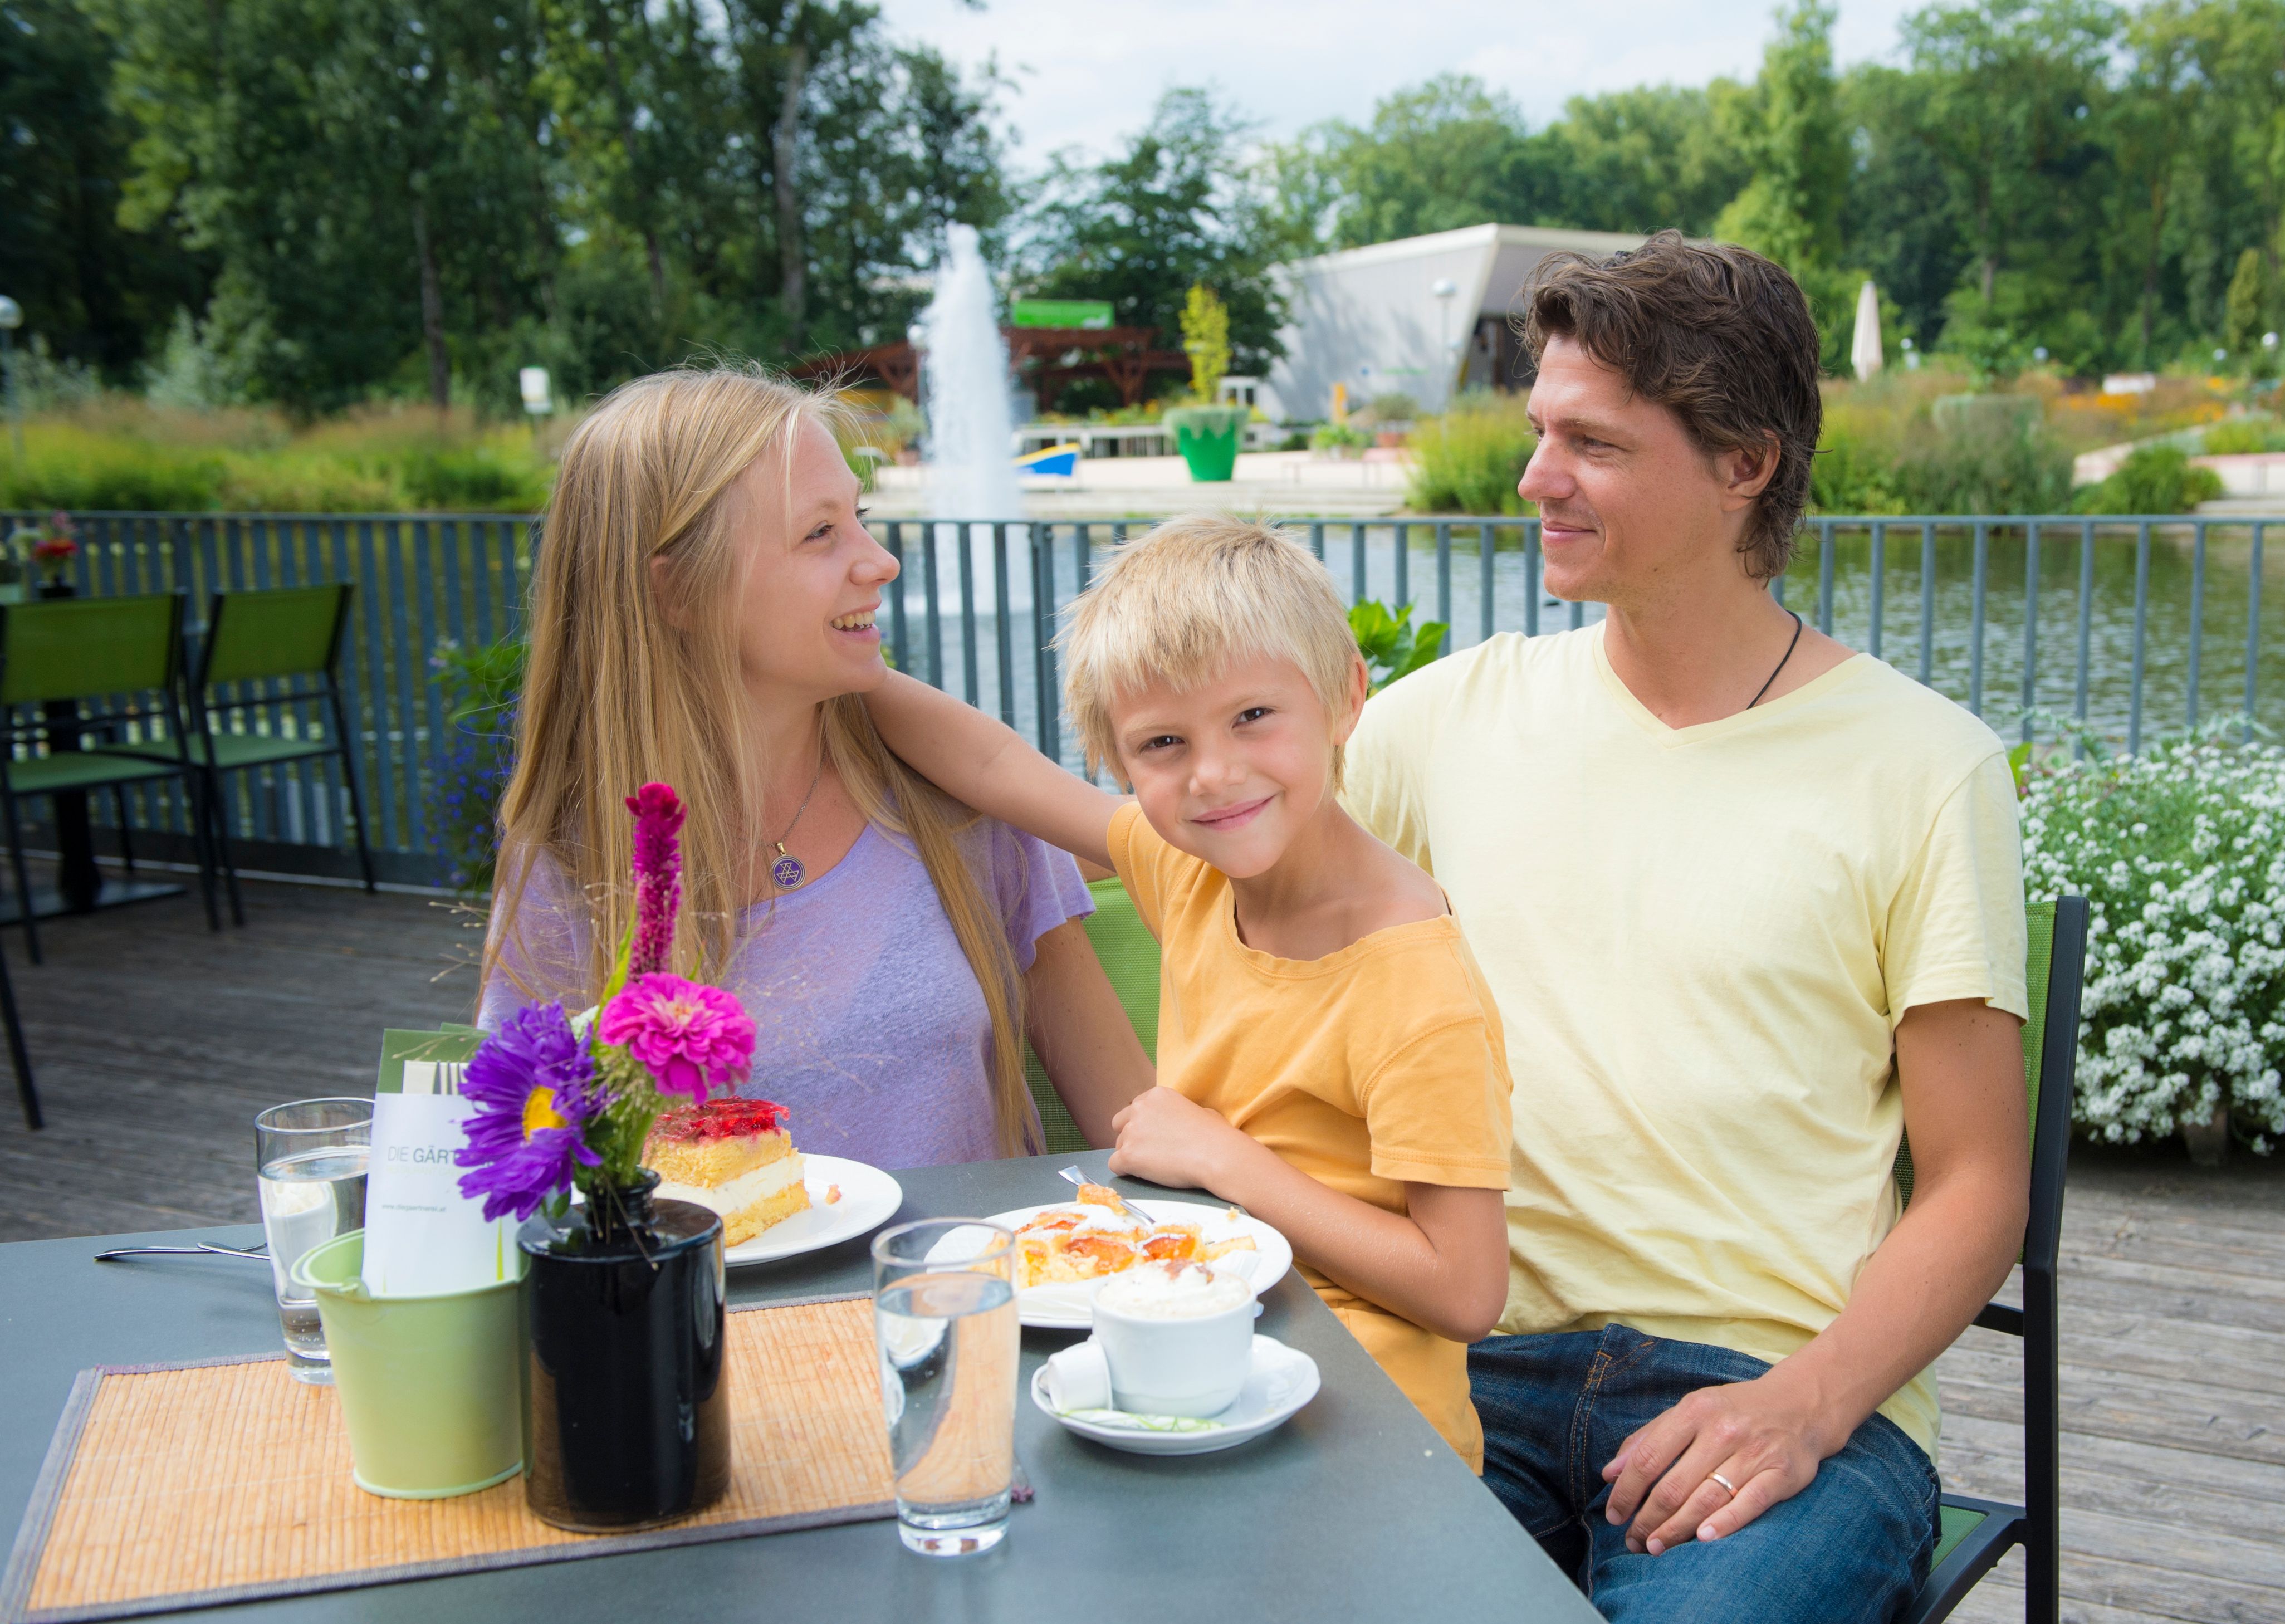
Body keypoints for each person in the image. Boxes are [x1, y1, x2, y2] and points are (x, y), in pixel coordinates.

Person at [1342, 234, 2030, 1624]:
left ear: (1743, 465)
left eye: (1591, 443)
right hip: (1463, 1366)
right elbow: (1194, 852)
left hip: (1778, 1392)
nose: (1535, 478)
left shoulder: (1922, 767)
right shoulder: (1436, 725)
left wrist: (1813, 1399)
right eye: (1540, 431)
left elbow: (1977, 1180)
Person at [864, 515, 1511, 1470]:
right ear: (1119, 761)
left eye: (1253, 717)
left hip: (1366, 1437)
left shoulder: (1410, 978)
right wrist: (845, 663)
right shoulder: (1191, 872)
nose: (1214, 775)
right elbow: (996, 766)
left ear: (1346, 697)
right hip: (1195, 1369)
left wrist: (1226, 1161)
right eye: (1164, 742)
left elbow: (1465, 1290)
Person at [480, 365, 1153, 1167]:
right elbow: (520, 1166)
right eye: (820, 533)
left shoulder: (953, 806)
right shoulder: (570, 865)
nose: (881, 562)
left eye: (859, 519)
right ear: (678, 591)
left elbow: (1137, 1125)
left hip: (975, 1257)